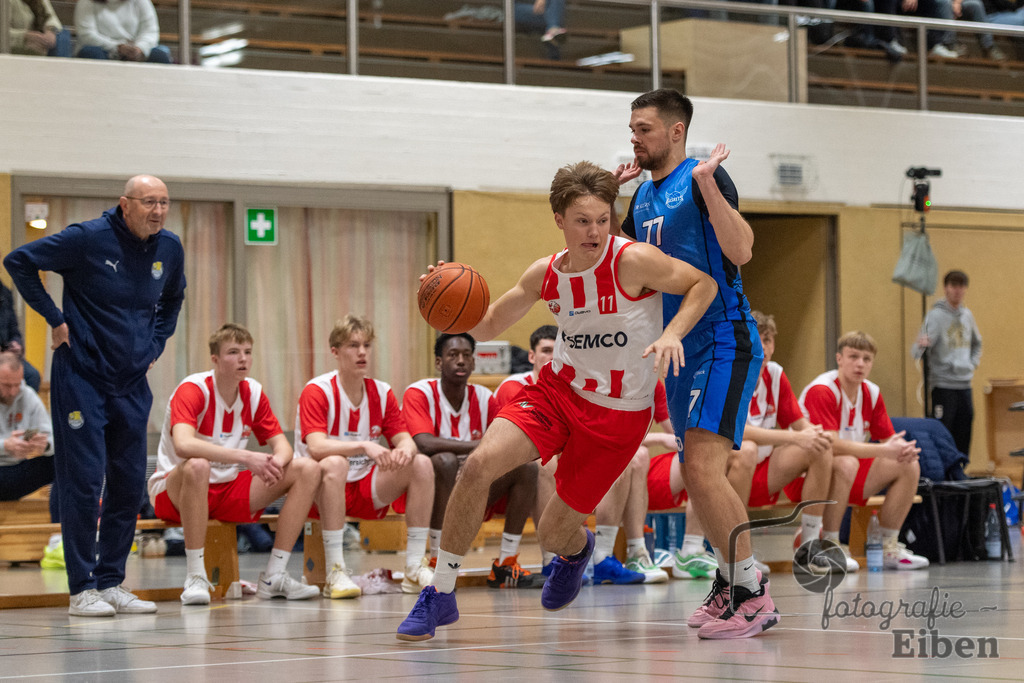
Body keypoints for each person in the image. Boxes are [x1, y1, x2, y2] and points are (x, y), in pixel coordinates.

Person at [397, 160, 717, 641]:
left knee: (552, 534)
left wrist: (673, 332)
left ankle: (576, 550)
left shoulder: (631, 260)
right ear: (560, 221)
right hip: (557, 392)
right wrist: (438, 295)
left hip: (617, 415)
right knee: (481, 463)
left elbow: (704, 284)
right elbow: (483, 326)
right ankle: (440, 594)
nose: (594, 231)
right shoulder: (544, 274)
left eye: (603, 219)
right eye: (583, 221)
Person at [614, 89, 774, 640]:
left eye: (644, 128)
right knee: (697, 476)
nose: (634, 138)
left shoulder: (703, 179)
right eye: (632, 128)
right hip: (677, 346)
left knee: (705, 469)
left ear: (676, 131)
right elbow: (626, 272)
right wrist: (613, 206)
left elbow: (743, 251)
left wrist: (709, 184)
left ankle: (751, 591)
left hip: (724, 336)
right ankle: (731, 582)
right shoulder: (641, 198)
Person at [4, 174, 185, 617]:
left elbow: (174, 299)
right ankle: (81, 588)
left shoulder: (170, 248)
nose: (157, 211)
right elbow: (19, 261)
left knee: (126, 484)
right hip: (81, 377)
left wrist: (156, 344)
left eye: (163, 202)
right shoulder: (87, 238)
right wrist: (55, 319)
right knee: (84, 483)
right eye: (148, 202)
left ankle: (111, 582)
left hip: (131, 381)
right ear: (125, 204)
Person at [149, 323, 321, 605]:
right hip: (174, 490)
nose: (243, 358)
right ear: (215, 359)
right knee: (198, 465)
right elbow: (184, 444)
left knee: (308, 468)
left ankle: (274, 576)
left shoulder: (253, 392)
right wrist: (247, 457)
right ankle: (195, 576)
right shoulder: (193, 389)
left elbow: (283, 447)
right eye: (233, 352)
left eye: (248, 352)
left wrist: (273, 463)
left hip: (226, 488)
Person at [497, 325, 658, 585]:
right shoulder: (513, 385)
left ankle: (603, 558)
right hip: (516, 471)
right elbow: (523, 439)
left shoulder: (578, 383)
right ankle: (552, 560)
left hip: (566, 456)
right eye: (545, 351)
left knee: (622, 459)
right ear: (531, 356)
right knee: (543, 462)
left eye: (555, 350)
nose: (550, 357)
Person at [294, 315, 435, 599]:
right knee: (334, 462)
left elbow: (404, 438)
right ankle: (337, 571)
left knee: (420, 463)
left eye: (367, 345)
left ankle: (413, 566)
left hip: (364, 488)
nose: (362, 352)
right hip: (320, 491)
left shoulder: (381, 392)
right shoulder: (317, 390)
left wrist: (406, 448)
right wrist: (365, 446)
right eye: (353, 345)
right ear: (335, 351)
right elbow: (317, 447)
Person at [403, 333, 545, 590]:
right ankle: (437, 560)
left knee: (527, 468)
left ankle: (505, 564)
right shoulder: (419, 392)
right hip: (433, 490)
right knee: (444, 461)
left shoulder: (484, 397)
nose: (460, 361)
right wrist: (477, 448)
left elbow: (502, 443)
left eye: (466, 355)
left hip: (473, 486)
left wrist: (473, 458)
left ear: (474, 362)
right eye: (453, 355)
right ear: (438, 362)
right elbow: (423, 443)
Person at [799, 331, 930, 570]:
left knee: (908, 463)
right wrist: (884, 451)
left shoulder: (871, 392)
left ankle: (889, 545)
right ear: (839, 358)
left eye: (866, 359)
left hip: (849, 472)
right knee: (846, 461)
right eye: (853, 356)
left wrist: (903, 449)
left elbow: (890, 440)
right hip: (810, 477)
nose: (860, 364)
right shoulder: (822, 390)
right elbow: (833, 445)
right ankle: (830, 543)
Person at [728, 311, 836, 571]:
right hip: (730, 475)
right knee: (748, 448)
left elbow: (801, 424)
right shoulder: (731, 371)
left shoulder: (775, 374)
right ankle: (739, 554)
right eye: (756, 338)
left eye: (767, 340)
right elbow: (741, 433)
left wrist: (817, 435)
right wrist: (797, 436)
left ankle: (808, 545)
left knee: (820, 447)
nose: (763, 347)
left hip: (764, 471)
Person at [911, 270, 982, 458]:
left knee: (965, 427)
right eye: (953, 286)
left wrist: (972, 363)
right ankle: (943, 469)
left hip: (964, 382)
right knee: (943, 429)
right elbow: (917, 350)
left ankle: (961, 468)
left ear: (965, 289)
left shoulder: (967, 315)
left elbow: (977, 343)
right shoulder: (934, 316)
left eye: (961, 286)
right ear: (946, 288)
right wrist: (922, 346)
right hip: (943, 384)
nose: (957, 290)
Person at [0, 351, 60, 565]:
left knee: (62, 463)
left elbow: (51, 437)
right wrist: (5, 446)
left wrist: (44, 445)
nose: (13, 391)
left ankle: (57, 538)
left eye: (17, 384)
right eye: (6, 385)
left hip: (17, 471)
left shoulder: (27, 395)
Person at [74, 0, 172, 64]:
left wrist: (139, 48)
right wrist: (117, 47)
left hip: (135, 50)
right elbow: (86, 34)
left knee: (160, 56)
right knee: (90, 53)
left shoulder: (141, 2)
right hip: (104, 50)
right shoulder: (87, 2)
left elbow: (150, 31)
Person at [0, 282, 42, 392]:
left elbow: (14, 331)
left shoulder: (5, 293)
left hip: (7, 354)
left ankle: (22, 410)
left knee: (32, 375)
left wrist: (16, 344)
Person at [6, 0, 71, 57]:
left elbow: (51, 17)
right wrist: (24, 37)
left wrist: (50, 30)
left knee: (62, 36)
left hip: (40, 41)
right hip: (15, 46)